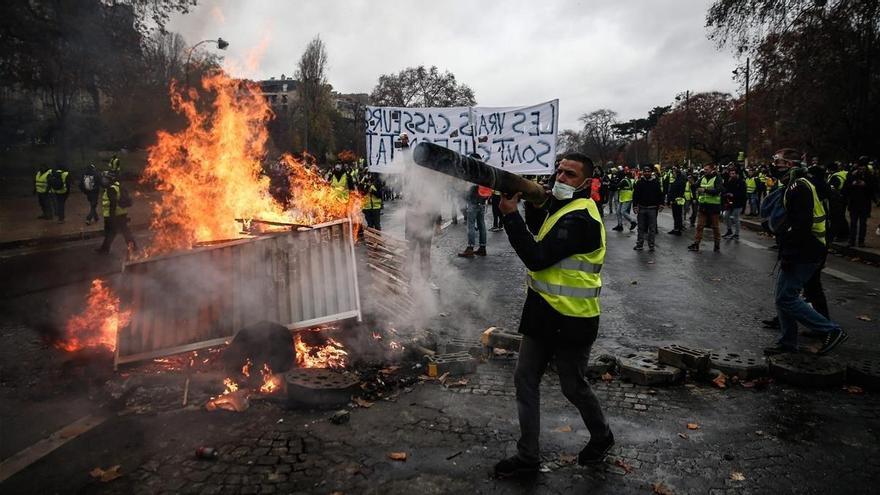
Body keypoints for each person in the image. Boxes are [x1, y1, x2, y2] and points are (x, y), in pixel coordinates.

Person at [493, 152, 613, 478]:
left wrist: (510, 217)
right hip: (543, 313)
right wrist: (523, 205)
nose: (560, 178)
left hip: (573, 319)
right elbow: (539, 226)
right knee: (524, 378)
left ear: (587, 183)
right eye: (559, 171)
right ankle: (528, 456)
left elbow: (537, 256)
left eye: (570, 175)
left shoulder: (582, 219)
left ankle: (602, 436)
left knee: (572, 387)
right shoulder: (563, 209)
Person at [763, 149, 847, 356]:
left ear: (791, 165)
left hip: (805, 250)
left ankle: (830, 330)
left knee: (786, 298)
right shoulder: (797, 184)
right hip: (804, 248)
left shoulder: (798, 186)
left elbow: (800, 224)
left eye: (779, 162)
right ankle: (788, 342)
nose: (775, 166)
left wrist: (790, 251)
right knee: (782, 296)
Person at [95, 172, 137, 256]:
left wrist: (111, 217)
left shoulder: (111, 189)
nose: (103, 181)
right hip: (121, 214)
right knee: (124, 231)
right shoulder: (118, 187)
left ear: (110, 180)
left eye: (105, 179)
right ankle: (133, 246)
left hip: (114, 215)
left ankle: (104, 249)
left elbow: (113, 204)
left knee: (111, 232)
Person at [458, 154, 490, 257]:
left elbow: (468, 188)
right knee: (481, 225)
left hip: (473, 201)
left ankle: (470, 248)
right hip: (482, 202)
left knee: (470, 225)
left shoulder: (473, 172)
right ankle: (482, 247)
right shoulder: (485, 171)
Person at [687, 163, 724, 252]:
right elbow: (696, 186)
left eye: (707, 169)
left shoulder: (717, 178)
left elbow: (718, 190)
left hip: (714, 206)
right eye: (704, 169)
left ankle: (717, 244)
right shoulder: (702, 177)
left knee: (715, 226)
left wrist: (705, 190)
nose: (705, 171)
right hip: (703, 206)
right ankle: (696, 244)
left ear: (712, 169)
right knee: (699, 226)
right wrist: (691, 182)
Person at [841, 158, 877, 247]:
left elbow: (874, 189)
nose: (861, 170)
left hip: (864, 203)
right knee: (853, 223)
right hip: (854, 203)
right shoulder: (851, 175)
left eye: (863, 168)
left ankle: (861, 241)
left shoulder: (870, 176)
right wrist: (852, 183)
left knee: (862, 224)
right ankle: (851, 240)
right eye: (860, 168)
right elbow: (844, 189)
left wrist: (865, 185)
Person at [632, 165, 664, 251]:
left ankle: (651, 245)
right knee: (641, 227)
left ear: (651, 172)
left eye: (648, 171)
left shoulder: (655, 182)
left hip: (653, 208)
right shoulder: (639, 183)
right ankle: (639, 244)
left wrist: (661, 204)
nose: (647, 173)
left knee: (652, 228)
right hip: (641, 208)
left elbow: (660, 194)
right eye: (645, 171)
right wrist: (635, 206)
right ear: (643, 172)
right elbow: (635, 195)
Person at [826, 161, 849, 242]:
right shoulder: (842, 174)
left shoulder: (834, 177)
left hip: (836, 201)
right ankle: (845, 234)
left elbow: (832, 189)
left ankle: (838, 236)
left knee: (836, 218)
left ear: (830, 170)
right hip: (843, 199)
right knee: (841, 217)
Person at [722, 168, 746, 240]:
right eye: (731, 173)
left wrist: (734, 195)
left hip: (738, 202)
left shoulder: (741, 182)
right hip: (730, 202)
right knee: (726, 216)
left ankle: (737, 234)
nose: (732, 175)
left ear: (736, 174)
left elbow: (743, 193)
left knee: (736, 218)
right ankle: (729, 230)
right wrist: (726, 194)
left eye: (733, 173)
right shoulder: (729, 181)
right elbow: (726, 189)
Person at [667, 167, 686, 235]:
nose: (673, 174)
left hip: (677, 201)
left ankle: (678, 229)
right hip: (676, 200)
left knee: (677, 215)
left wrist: (674, 200)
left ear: (677, 173)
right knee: (676, 215)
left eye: (674, 173)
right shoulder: (676, 180)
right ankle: (676, 228)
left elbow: (678, 192)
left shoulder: (680, 181)